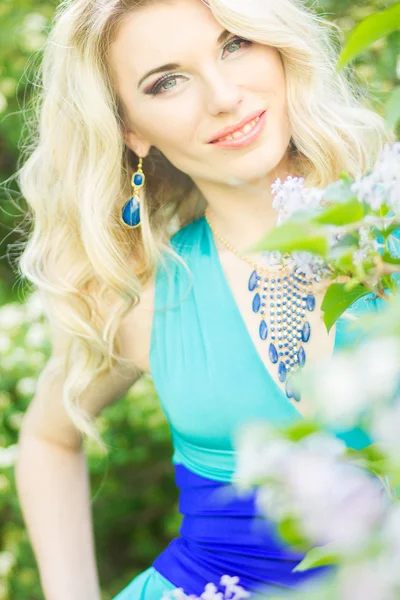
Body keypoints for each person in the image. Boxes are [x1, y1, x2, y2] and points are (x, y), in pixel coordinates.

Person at [14, 0, 396, 598]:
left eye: (234, 43)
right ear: (131, 130)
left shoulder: (388, 218)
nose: (223, 95)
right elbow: (46, 440)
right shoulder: (146, 298)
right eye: (167, 82)